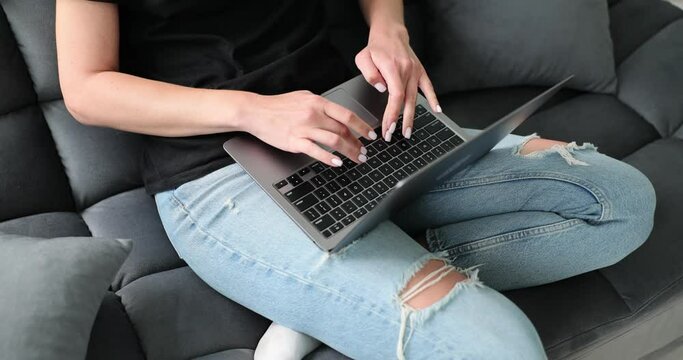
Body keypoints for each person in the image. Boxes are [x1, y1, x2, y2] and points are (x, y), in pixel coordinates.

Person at [56, 0, 657, 358]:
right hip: (224, 172)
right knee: (497, 344)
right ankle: (335, 289)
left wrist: (389, 29)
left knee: (618, 203)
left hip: (365, 123)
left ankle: (317, 303)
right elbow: (85, 89)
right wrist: (254, 110)